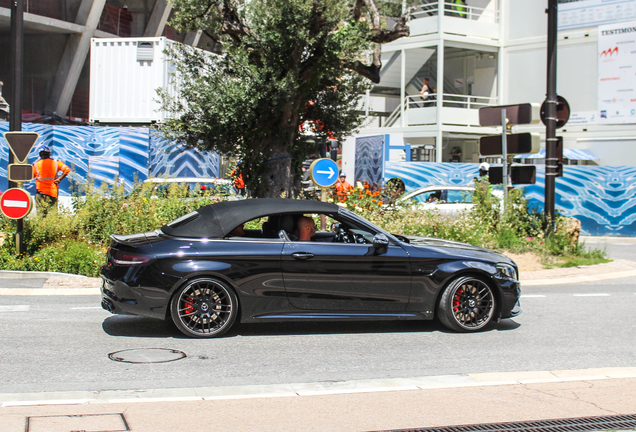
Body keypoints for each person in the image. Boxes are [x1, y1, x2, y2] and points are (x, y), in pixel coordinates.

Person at [32, 145, 70, 215]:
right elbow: (67, 169)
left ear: (40, 154)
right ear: (49, 153)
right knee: (53, 213)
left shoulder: (36, 164)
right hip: (53, 192)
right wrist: (59, 179)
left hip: (41, 192)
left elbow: (31, 176)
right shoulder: (56, 162)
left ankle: (42, 225)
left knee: (41, 214)